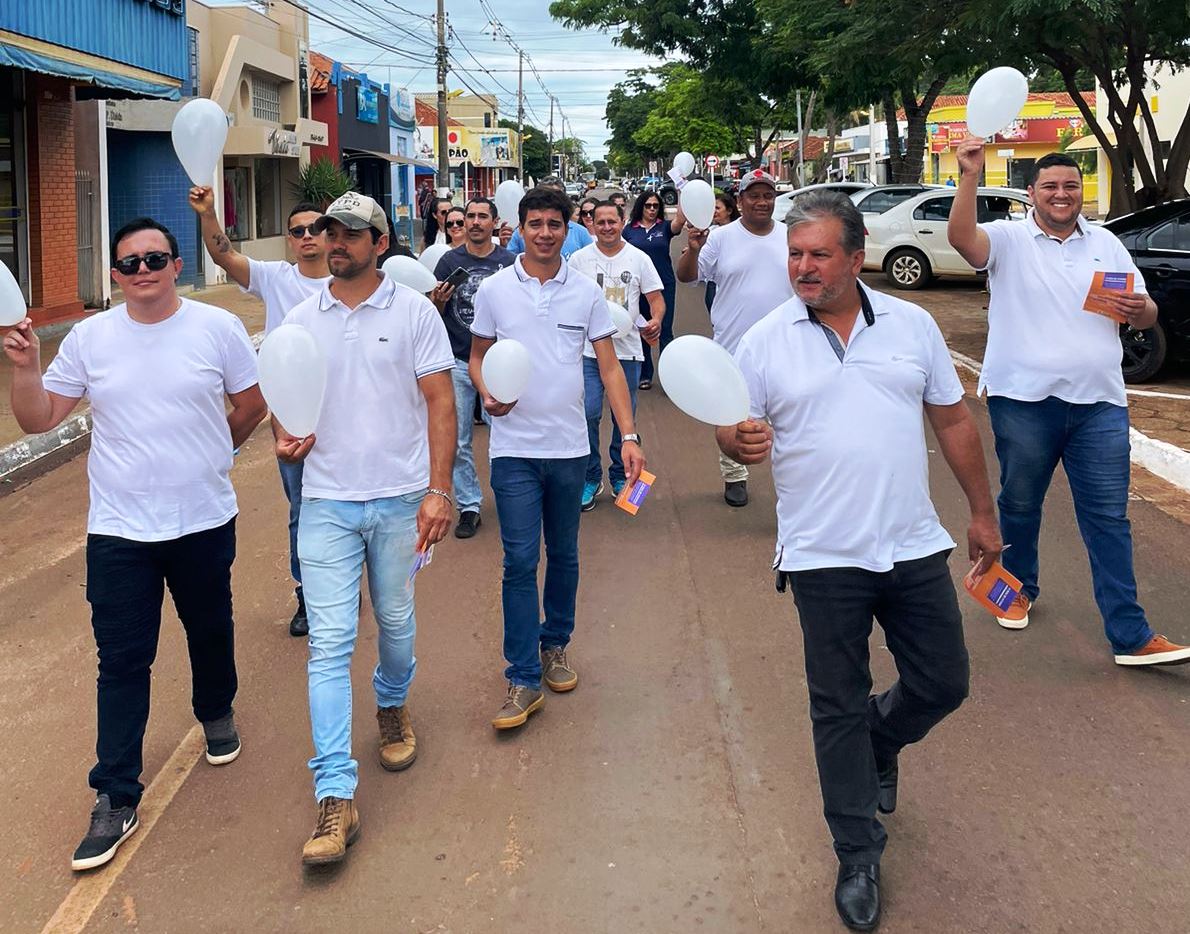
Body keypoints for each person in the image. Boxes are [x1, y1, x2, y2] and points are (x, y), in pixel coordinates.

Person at [719, 191, 997, 931]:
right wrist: (735, 444)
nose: (803, 268)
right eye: (795, 255)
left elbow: (951, 418)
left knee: (945, 682)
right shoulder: (766, 340)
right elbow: (736, 426)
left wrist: (981, 512)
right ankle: (857, 852)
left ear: (856, 252)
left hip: (910, 542)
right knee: (833, 704)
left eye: (817, 254)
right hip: (821, 554)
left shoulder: (913, 325)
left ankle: (881, 739)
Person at [4, 217, 267, 871]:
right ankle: (115, 794)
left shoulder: (218, 329)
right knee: (121, 661)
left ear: (177, 265)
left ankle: (216, 709)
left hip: (203, 518)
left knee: (209, 628)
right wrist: (28, 368)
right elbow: (39, 419)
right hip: (120, 529)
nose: (143, 270)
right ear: (116, 276)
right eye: (130, 264)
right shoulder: (92, 339)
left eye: (155, 258)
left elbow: (252, 403)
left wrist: (215, 451)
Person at [947, 142, 1190, 665]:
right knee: (1020, 505)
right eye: (1050, 186)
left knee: (1107, 517)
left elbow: (1145, 316)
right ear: (1031, 194)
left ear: (1082, 193)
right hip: (1024, 401)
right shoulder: (1011, 239)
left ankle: (1130, 635)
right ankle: (1016, 592)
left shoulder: (1105, 243)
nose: (1062, 194)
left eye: (1071, 186)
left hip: (1100, 403)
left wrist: (1140, 308)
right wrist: (969, 177)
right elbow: (964, 241)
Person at [276, 193, 457, 866]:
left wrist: (439, 491)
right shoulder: (300, 318)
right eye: (330, 231)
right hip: (325, 503)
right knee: (329, 643)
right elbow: (281, 398)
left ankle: (391, 702)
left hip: (401, 501)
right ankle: (335, 794)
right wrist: (285, 439)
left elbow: (442, 404)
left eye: (351, 232)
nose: (336, 241)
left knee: (397, 628)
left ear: (380, 243)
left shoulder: (413, 313)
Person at [469, 186, 644, 730]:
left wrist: (629, 436)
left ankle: (555, 644)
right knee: (519, 561)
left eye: (554, 224)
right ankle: (521, 677)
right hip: (514, 451)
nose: (544, 232)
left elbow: (610, 368)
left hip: (570, 450)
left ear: (569, 228)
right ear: (519, 227)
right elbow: (477, 357)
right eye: (535, 223)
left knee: (564, 554)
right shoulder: (496, 290)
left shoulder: (585, 293)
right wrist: (486, 393)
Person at [189, 187, 330, 638]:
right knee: (302, 510)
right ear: (290, 240)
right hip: (292, 414)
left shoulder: (349, 280)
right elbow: (225, 256)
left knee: (353, 504)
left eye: (315, 228)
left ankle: (342, 586)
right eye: (297, 231)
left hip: (347, 410)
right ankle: (308, 595)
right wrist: (209, 215)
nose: (307, 236)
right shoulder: (276, 278)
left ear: (330, 235)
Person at [676, 169, 793, 507]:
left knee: (790, 416)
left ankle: (793, 481)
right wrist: (694, 249)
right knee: (735, 415)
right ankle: (734, 475)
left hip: (786, 345)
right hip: (733, 346)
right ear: (739, 201)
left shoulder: (790, 236)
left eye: (767, 195)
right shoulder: (721, 238)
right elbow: (687, 278)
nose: (761, 201)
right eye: (753, 195)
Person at [429, 196, 516, 539]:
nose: (476, 222)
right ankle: (469, 506)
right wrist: (436, 302)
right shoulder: (448, 261)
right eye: (470, 216)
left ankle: (510, 497)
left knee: (505, 436)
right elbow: (430, 314)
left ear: (495, 222)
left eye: (483, 216)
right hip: (457, 361)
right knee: (459, 439)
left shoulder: (509, 262)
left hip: (499, 364)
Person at [569, 199, 665, 510]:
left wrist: (656, 321)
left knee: (624, 418)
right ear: (591, 225)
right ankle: (590, 477)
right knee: (588, 414)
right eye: (601, 222)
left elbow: (656, 299)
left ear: (622, 221)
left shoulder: (639, 259)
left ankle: (622, 476)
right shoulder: (579, 260)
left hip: (627, 351)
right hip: (587, 351)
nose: (607, 227)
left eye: (613, 221)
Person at [623, 190, 685, 390]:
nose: (651, 209)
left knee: (664, 329)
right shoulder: (629, 230)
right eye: (648, 205)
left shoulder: (664, 228)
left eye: (655, 206)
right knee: (643, 328)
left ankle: (670, 377)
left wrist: (682, 191)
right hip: (637, 287)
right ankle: (645, 374)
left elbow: (680, 220)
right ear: (641, 206)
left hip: (663, 284)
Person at [506, 177, 593, 259]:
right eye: (535, 225)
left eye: (554, 225)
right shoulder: (519, 233)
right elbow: (509, 259)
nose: (545, 234)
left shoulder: (581, 233)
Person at [700, 191, 740, 314]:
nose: (714, 211)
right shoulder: (710, 231)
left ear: (729, 211)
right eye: (712, 208)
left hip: (733, 283)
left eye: (717, 208)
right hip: (713, 284)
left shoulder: (740, 231)